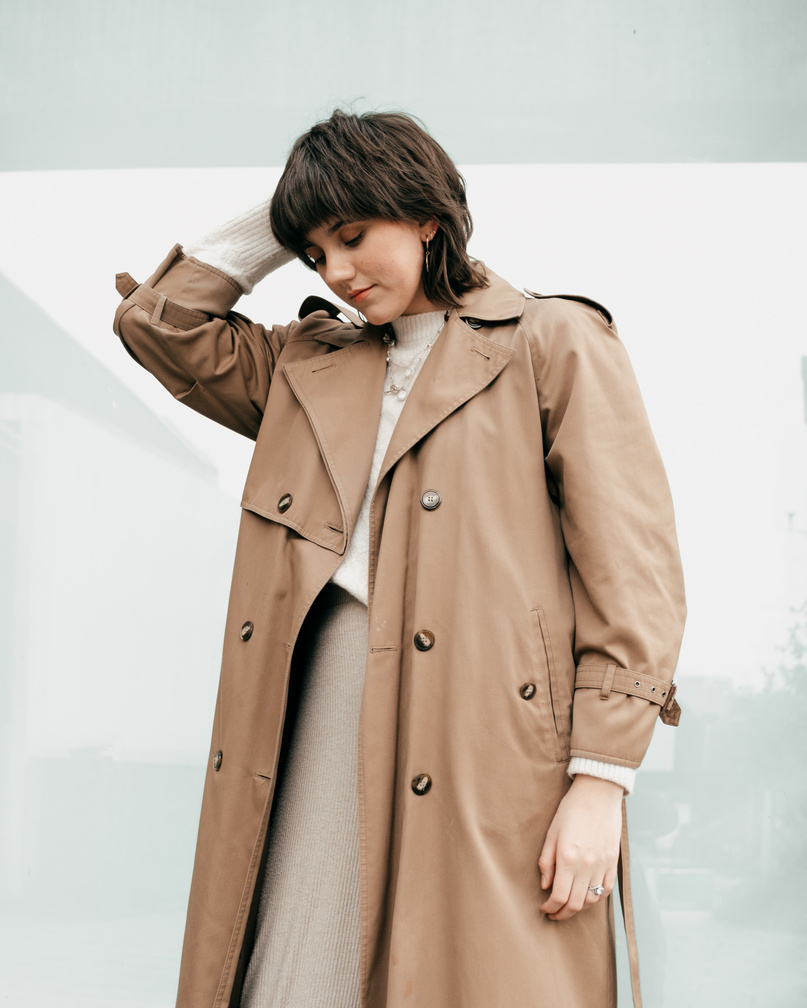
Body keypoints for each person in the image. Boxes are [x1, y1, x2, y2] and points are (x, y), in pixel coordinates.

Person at [113, 110, 685, 1008]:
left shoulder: (551, 340)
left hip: (487, 737)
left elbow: (633, 576)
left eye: (354, 236)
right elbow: (164, 326)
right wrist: (294, 207)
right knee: (294, 977)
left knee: (474, 977)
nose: (337, 273)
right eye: (313, 256)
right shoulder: (306, 364)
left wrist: (599, 783)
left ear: (424, 213)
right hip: (317, 704)